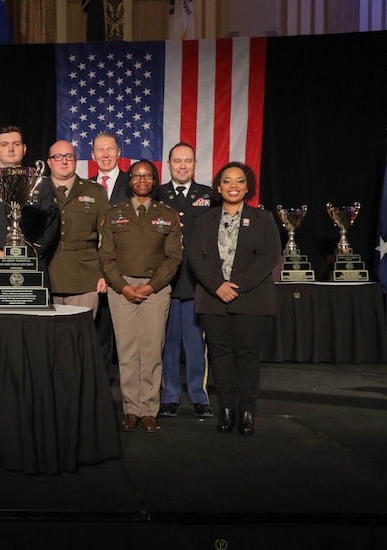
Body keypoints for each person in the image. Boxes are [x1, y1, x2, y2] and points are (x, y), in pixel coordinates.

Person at [188, 162, 280, 436]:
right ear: (219, 187)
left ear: (247, 187)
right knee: (221, 356)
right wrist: (218, 286)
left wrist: (237, 287)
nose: (233, 186)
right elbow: (194, 257)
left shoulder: (264, 219)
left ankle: (247, 410)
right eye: (227, 181)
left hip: (251, 299)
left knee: (248, 355)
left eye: (239, 181)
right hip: (213, 299)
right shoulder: (204, 219)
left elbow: (269, 257)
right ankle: (227, 409)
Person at [99, 159, 182, 433]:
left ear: (155, 180)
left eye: (148, 175)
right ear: (129, 181)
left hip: (155, 289)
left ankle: (149, 409)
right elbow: (106, 257)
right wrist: (123, 287)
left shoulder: (168, 214)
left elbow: (173, 258)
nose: (142, 180)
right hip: (121, 288)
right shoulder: (113, 214)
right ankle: (131, 409)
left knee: (150, 350)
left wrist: (150, 286)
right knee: (126, 352)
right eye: (137, 175)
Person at [0, 124, 59, 305]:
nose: (11, 148)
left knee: (30, 331)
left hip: (30, 271)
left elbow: (51, 224)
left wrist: (28, 254)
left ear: (24, 149)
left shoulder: (40, 183)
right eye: (5, 144)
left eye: (16, 144)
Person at [157, 143, 213, 418]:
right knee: (168, 342)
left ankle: (199, 396)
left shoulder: (208, 196)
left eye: (187, 161)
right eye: (177, 161)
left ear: (194, 163)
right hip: (164, 280)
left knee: (194, 343)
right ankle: (169, 396)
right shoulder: (158, 194)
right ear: (168, 164)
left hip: (194, 281)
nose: (182, 165)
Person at [46, 140, 108, 316]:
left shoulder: (95, 191)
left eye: (69, 156)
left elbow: (107, 237)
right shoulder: (37, 190)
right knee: (47, 338)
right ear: (49, 162)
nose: (64, 161)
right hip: (47, 274)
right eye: (58, 157)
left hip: (85, 278)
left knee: (81, 337)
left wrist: (104, 274)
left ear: (75, 160)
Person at [91, 132, 129, 372]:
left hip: (126, 269)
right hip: (95, 271)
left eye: (110, 149)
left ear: (118, 152)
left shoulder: (134, 183)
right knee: (99, 332)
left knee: (128, 338)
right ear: (93, 155)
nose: (105, 155)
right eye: (100, 150)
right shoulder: (85, 185)